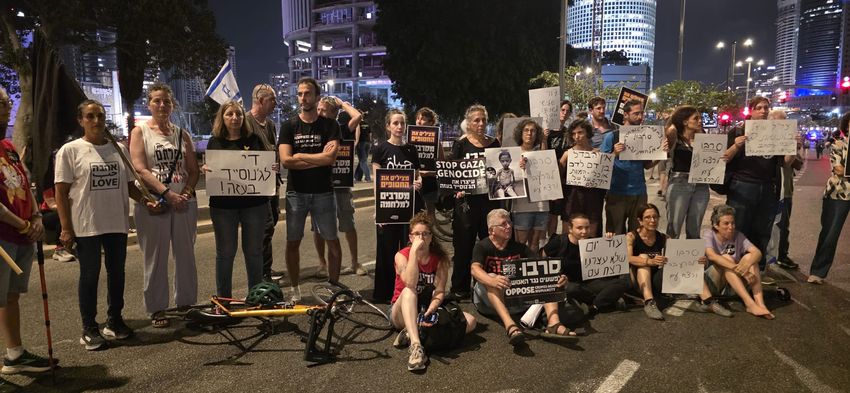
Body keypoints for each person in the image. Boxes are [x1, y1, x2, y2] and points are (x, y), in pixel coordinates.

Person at [55, 100, 158, 350]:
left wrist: (145, 201)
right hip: (87, 225)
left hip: (116, 223)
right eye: (90, 117)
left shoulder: (117, 148)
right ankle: (89, 327)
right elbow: (61, 191)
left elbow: (130, 185)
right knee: (90, 276)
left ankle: (114, 320)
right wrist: (66, 228)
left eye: (99, 116)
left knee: (117, 274)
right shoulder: (70, 150)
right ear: (81, 121)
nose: (96, 121)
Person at [129, 82, 200, 328]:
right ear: (149, 104)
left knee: (185, 255)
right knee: (155, 257)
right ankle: (158, 308)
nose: (162, 105)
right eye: (157, 101)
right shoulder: (140, 132)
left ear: (173, 105)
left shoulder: (182, 134)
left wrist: (187, 193)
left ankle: (186, 302)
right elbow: (139, 168)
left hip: (184, 203)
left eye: (167, 101)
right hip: (155, 204)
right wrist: (167, 194)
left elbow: (193, 170)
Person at [0, 84, 55, 373]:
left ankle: (14, 354)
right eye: (2, 103)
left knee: (10, 295)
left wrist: (36, 218)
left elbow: (24, 182)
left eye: (7, 102)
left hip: (20, 235)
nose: (8, 107)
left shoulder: (7, 147)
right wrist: (24, 224)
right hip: (5, 235)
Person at [278, 77, 341, 301]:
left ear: (317, 97)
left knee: (332, 240)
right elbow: (286, 161)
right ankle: (295, 289)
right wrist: (319, 158)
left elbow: (330, 158)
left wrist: (302, 156)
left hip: (324, 191)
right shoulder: (288, 126)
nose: (303, 98)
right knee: (292, 241)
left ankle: (334, 288)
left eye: (307, 93)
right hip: (297, 192)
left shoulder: (331, 126)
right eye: (300, 94)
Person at [472, 209, 575, 346]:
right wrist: (492, 280)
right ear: (492, 230)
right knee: (491, 277)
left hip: (516, 300)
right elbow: (475, 269)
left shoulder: (519, 247)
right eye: (503, 224)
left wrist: (560, 277)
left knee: (547, 276)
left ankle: (554, 323)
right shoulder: (482, 246)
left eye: (509, 222)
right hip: (488, 302)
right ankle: (511, 327)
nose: (509, 226)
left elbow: (541, 266)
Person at [722, 97, 800, 277]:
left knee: (761, 231)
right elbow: (724, 158)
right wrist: (736, 145)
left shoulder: (776, 132)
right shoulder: (738, 130)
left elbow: (786, 163)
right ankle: (731, 271)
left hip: (767, 188)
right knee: (737, 228)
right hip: (742, 186)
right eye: (759, 108)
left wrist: (793, 147)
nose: (763, 111)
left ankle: (757, 270)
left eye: (766, 108)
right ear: (751, 111)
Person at [390, 212, 477, 372]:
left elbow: (439, 291)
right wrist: (414, 253)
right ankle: (416, 347)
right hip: (403, 309)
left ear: (431, 237)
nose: (421, 238)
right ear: (410, 237)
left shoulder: (440, 259)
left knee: (470, 321)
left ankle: (413, 333)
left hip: (426, 308)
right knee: (410, 291)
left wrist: (432, 309)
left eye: (425, 234)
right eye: (417, 234)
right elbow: (410, 282)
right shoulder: (401, 256)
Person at [203, 101, 272, 298]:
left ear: (244, 117)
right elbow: (210, 166)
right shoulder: (214, 141)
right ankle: (224, 299)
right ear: (222, 118)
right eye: (230, 114)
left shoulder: (254, 139)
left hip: (254, 205)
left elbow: (265, 164)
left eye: (239, 114)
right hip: (223, 207)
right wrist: (205, 169)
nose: (235, 118)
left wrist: (270, 168)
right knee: (225, 254)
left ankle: (255, 296)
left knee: (254, 253)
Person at [626, 204, 731, 321]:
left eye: (655, 217)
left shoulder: (663, 237)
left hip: (656, 281)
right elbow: (627, 258)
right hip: (637, 282)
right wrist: (649, 261)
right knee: (643, 258)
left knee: (686, 263)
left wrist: (697, 260)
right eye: (647, 217)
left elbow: (679, 257)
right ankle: (649, 302)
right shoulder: (631, 236)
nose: (652, 220)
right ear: (640, 221)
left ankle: (708, 301)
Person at [449, 105, 500, 299]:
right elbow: (452, 173)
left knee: (489, 245)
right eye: (476, 120)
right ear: (468, 123)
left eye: (483, 120)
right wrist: (457, 187)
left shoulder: (495, 143)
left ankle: (486, 287)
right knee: (463, 246)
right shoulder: (460, 144)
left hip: (490, 203)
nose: (480, 124)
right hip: (466, 205)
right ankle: (460, 288)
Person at [371, 109, 422, 303]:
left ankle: (408, 290)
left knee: (410, 251)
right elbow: (377, 183)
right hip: (388, 207)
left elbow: (417, 177)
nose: (399, 127)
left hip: (410, 209)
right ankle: (384, 294)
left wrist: (419, 183)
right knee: (387, 251)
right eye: (395, 123)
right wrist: (378, 211)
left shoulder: (411, 150)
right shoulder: (380, 150)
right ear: (388, 126)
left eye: (402, 123)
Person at [314, 96, 366, 277]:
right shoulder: (314, 130)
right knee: (319, 228)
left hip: (341, 186)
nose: (319, 113)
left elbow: (357, 117)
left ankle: (354, 262)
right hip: (320, 186)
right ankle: (322, 263)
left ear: (334, 114)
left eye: (323, 110)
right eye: (318, 109)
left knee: (348, 224)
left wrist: (342, 103)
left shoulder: (342, 130)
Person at [542, 214, 630, 319]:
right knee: (571, 289)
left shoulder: (593, 243)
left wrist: (609, 242)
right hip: (568, 284)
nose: (584, 231)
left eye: (587, 227)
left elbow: (610, 263)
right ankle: (606, 300)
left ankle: (594, 306)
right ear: (570, 229)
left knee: (623, 282)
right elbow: (542, 259)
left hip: (589, 284)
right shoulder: (559, 242)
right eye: (579, 228)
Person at [601, 99, 666, 234]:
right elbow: (601, 166)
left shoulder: (645, 137)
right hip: (616, 193)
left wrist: (660, 154)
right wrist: (614, 153)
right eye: (636, 113)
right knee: (615, 234)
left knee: (637, 233)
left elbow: (647, 166)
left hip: (639, 193)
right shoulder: (611, 137)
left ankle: (633, 256)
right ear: (625, 114)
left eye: (642, 113)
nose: (640, 117)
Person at [703, 205, 774, 319]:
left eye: (733, 223)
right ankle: (749, 304)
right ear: (716, 225)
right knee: (726, 258)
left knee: (751, 259)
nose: (731, 227)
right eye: (726, 223)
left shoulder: (738, 235)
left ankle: (760, 303)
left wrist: (746, 265)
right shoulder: (709, 234)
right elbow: (712, 256)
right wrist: (741, 270)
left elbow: (757, 253)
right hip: (715, 284)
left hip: (734, 285)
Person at [245, 84, 284, 282]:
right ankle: (262, 273)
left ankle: (264, 268)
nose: (275, 104)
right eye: (272, 100)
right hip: (256, 187)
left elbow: (272, 149)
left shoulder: (269, 125)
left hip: (272, 184)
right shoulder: (245, 122)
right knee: (264, 227)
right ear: (260, 101)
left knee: (271, 224)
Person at [808, 113, 850, 284]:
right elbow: (839, 169)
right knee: (830, 233)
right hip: (838, 192)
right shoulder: (839, 145)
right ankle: (818, 271)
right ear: (846, 126)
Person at [664, 105, 709, 239]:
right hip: (679, 182)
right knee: (674, 228)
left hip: (701, 184)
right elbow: (663, 155)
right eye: (696, 118)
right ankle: (669, 258)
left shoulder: (702, 136)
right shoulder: (674, 135)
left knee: (695, 228)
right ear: (684, 121)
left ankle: (691, 259)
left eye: (700, 118)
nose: (700, 121)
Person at [767, 109, 803, 270]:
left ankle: (782, 254)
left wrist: (794, 147)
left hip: (785, 189)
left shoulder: (789, 139)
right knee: (767, 224)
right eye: (777, 122)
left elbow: (795, 163)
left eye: (784, 121)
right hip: (768, 188)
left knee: (783, 224)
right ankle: (768, 255)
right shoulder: (764, 139)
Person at [559, 120, 606, 237]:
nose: (577, 136)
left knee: (591, 233)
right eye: (574, 134)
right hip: (572, 197)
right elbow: (556, 174)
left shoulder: (597, 153)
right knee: (568, 233)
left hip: (592, 198)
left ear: (587, 133)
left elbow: (603, 178)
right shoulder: (568, 154)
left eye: (580, 132)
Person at [511, 119, 548, 254]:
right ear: (520, 133)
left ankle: (534, 271)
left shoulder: (542, 153)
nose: (529, 133)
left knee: (535, 243)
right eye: (526, 130)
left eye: (533, 131)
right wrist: (517, 167)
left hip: (542, 203)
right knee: (520, 243)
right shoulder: (512, 153)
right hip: (522, 205)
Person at [546, 100, 573, 238]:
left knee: (563, 214)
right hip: (548, 178)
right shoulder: (546, 132)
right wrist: (543, 138)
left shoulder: (569, 133)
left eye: (567, 111)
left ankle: (562, 245)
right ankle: (550, 243)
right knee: (551, 215)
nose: (564, 113)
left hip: (564, 178)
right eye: (562, 109)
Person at [414, 107, 441, 222]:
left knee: (430, 213)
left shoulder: (436, 142)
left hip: (430, 181)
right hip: (415, 181)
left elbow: (442, 166)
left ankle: (431, 237)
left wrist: (429, 173)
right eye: (418, 119)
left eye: (423, 119)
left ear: (431, 123)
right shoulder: (411, 140)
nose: (419, 121)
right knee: (416, 213)